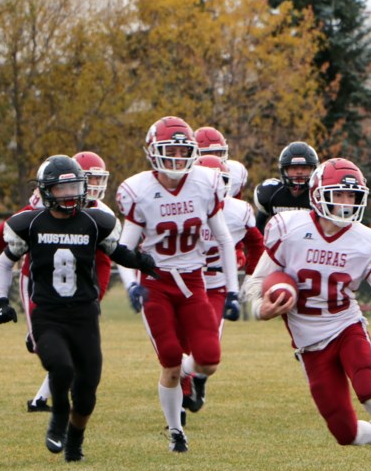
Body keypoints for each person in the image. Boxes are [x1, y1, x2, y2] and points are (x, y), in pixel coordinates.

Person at [241, 157, 371, 471]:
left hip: (346, 326)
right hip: (309, 343)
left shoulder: (366, 240)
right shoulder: (289, 228)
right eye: (339, 194)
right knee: (345, 432)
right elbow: (254, 285)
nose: (346, 203)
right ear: (318, 194)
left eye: (352, 196)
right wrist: (262, 309)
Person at [0, 155, 158, 461]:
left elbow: (116, 251)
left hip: (84, 314)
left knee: (87, 392)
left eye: (74, 187)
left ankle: (75, 442)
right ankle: (57, 417)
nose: (69, 195)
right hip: (48, 313)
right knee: (61, 366)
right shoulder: (31, 224)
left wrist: (140, 260)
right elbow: (5, 262)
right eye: (61, 189)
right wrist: (1, 300)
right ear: (46, 191)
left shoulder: (96, 222)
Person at [115, 116, 242, 453]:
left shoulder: (205, 182)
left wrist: (232, 290)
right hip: (155, 283)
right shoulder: (139, 189)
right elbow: (124, 250)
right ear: (153, 153)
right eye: (168, 151)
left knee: (209, 360)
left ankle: (184, 375)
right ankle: (175, 431)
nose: (175, 158)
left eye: (181, 150)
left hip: (193, 281)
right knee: (169, 359)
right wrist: (131, 284)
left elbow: (225, 240)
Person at [0, 150, 115, 412]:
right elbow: (7, 229)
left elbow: (104, 260)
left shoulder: (100, 214)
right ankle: (37, 339)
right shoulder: (43, 205)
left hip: (75, 287)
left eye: (97, 180)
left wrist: (97, 296)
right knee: (48, 344)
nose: (93, 187)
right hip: (36, 280)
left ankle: (39, 400)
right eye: (89, 179)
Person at [177, 154, 264, 420]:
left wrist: (251, 277)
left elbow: (256, 244)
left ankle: (193, 376)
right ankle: (178, 403)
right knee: (181, 344)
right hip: (184, 283)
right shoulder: (179, 207)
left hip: (216, 285)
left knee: (207, 348)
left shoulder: (239, 211)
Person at [254, 141, 319, 233]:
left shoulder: (319, 196)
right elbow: (259, 227)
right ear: (284, 170)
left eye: (304, 168)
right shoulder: (271, 193)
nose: (299, 172)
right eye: (294, 168)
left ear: (314, 170)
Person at [195, 126, 249, 201]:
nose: (214, 158)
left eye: (218, 152)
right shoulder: (189, 177)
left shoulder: (236, 174)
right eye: (208, 153)